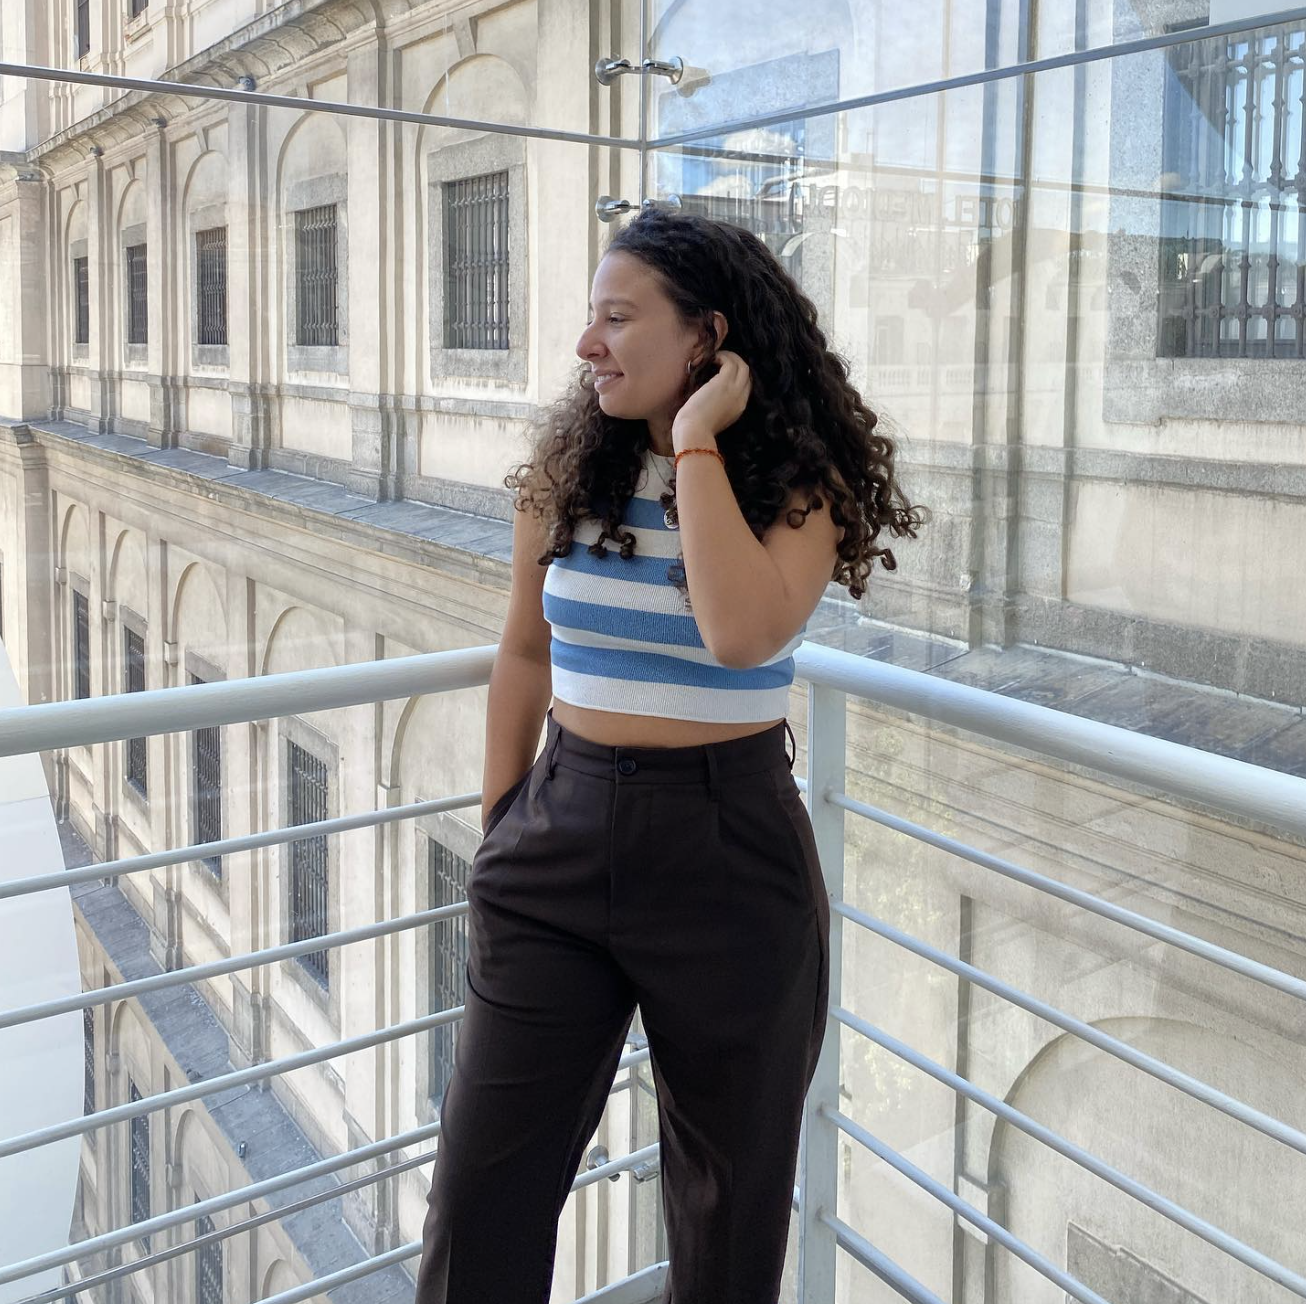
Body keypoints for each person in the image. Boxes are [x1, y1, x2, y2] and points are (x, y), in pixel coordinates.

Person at [414, 207, 923, 1303]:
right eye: (588, 319)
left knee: (726, 1210)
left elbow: (740, 634)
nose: (587, 344)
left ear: (707, 338)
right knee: (478, 1198)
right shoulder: (563, 471)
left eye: (615, 317)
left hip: (728, 846)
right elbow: (520, 651)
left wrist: (695, 443)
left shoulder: (795, 487)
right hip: (559, 831)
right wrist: (506, 821)